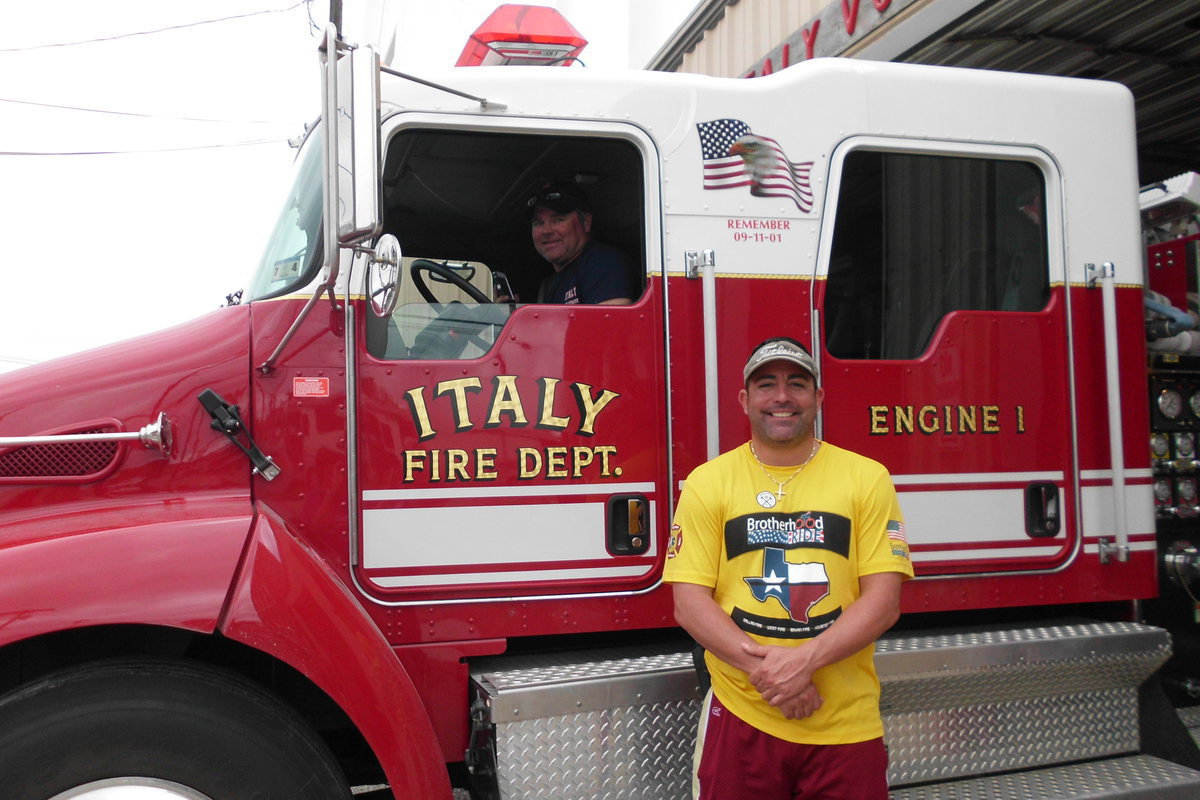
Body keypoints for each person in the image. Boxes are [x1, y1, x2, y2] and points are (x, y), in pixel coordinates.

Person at [664, 336, 914, 800]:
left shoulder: (866, 477)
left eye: (797, 384)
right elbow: (689, 604)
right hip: (743, 716)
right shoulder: (708, 482)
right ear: (744, 400)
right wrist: (779, 677)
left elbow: (884, 602)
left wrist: (804, 661)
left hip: (845, 726)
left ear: (818, 398)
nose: (782, 397)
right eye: (766, 385)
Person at [526, 181, 638, 305]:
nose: (546, 231)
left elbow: (611, 322)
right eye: (538, 223)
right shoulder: (552, 283)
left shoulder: (604, 263)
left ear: (585, 222)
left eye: (557, 220)